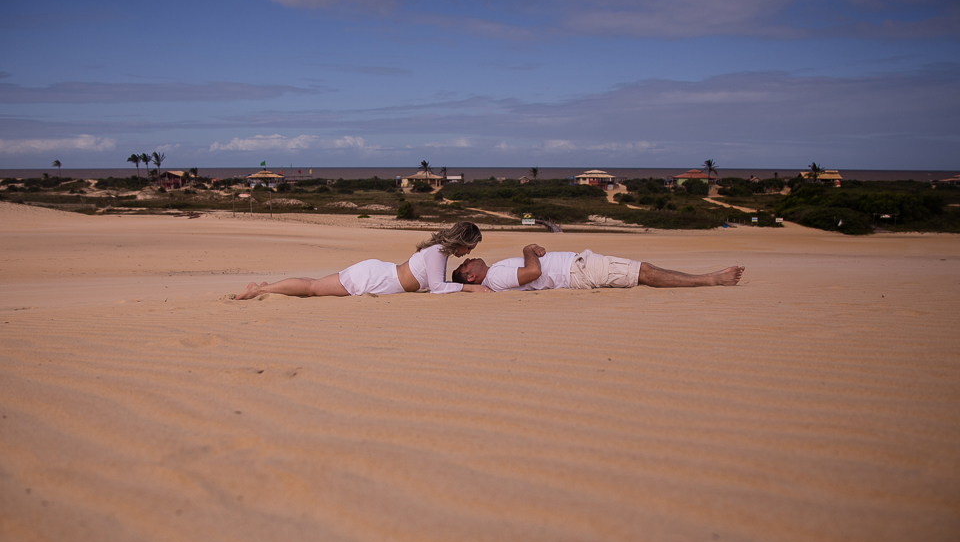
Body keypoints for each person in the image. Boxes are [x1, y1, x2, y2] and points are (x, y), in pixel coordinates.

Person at [235, 221, 491, 300]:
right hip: (375, 278)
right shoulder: (437, 252)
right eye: (469, 247)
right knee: (313, 289)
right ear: (461, 240)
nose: (468, 253)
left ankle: (266, 287)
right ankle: (259, 289)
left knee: (314, 285)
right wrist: (470, 287)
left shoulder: (439, 252)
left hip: (379, 274)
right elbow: (436, 288)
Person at [452, 245, 744, 292]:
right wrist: (528, 250)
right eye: (465, 263)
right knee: (645, 272)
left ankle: (710, 278)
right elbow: (533, 273)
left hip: (578, 268)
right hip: (578, 271)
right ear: (471, 275)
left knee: (644, 269)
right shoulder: (497, 275)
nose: (469, 259)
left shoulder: (495, 273)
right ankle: (711, 279)